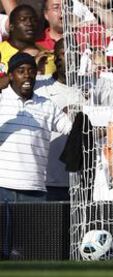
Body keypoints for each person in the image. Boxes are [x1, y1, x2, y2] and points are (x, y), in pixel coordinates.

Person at [0, 52, 72, 202]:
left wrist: (108, 128)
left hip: (35, 189)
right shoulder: (1, 99)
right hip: (2, 187)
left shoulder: (47, 105)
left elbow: (73, 129)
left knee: (34, 227)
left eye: (31, 71)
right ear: (11, 76)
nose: (27, 75)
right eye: (21, 71)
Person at [34, 39, 85, 201]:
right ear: (55, 58)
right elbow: (8, 89)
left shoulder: (91, 85)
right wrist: (34, 67)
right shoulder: (39, 85)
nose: (70, 57)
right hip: (46, 181)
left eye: (74, 53)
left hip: (81, 182)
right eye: (64, 53)